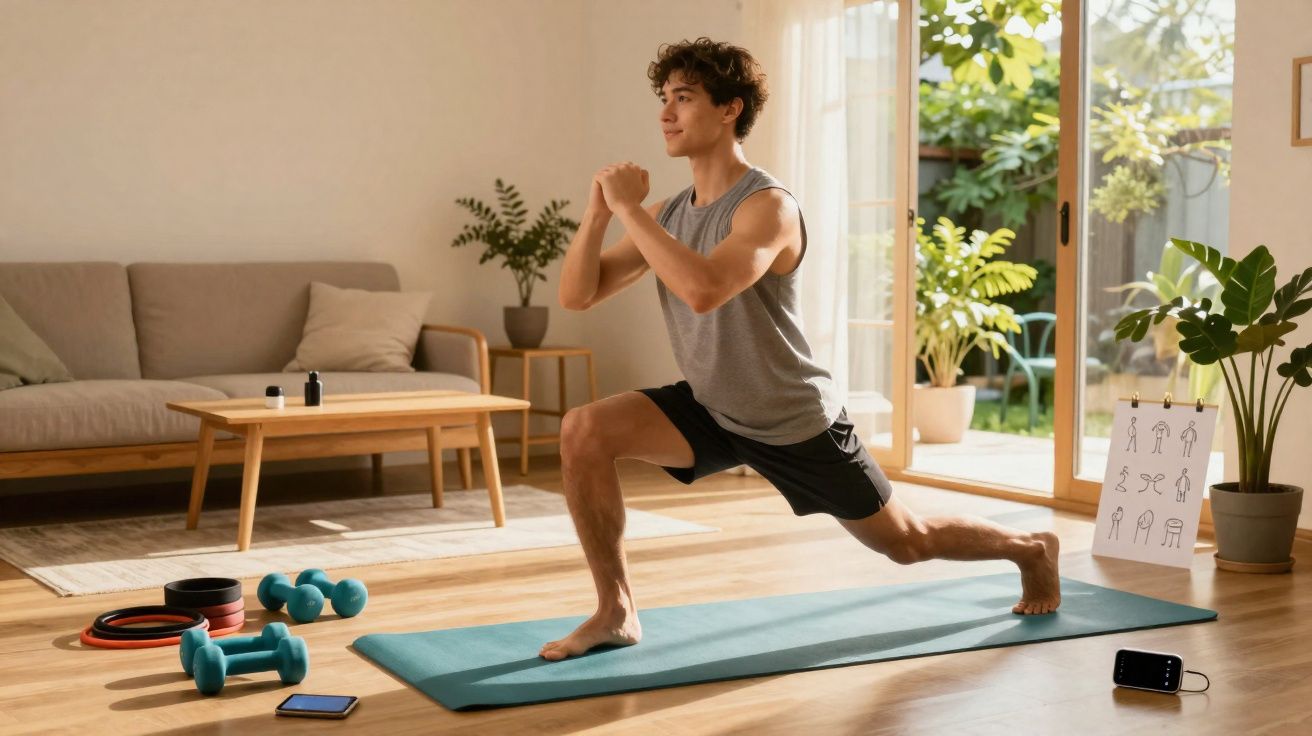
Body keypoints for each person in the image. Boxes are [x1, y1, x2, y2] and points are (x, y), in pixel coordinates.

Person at [542, 37, 1061, 662]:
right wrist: (601, 216)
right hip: (712, 406)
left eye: (683, 97)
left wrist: (630, 210)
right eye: (663, 98)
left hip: (791, 418)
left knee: (907, 542)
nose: (666, 113)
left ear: (730, 108)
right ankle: (615, 610)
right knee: (583, 430)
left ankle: (1030, 548)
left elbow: (704, 290)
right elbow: (578, 294)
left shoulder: (768, 207)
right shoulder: (670, 212)